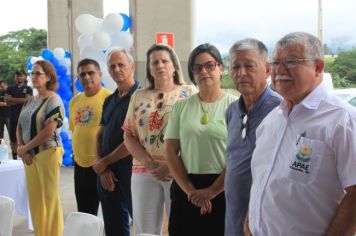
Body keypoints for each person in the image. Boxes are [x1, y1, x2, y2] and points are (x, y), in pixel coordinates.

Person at [247, 32, 356, 236]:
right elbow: (262, 179)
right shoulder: (271, 120)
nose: (279, 70)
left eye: (291, 61)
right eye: (276, 62)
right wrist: (249, 222)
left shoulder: (343, 120)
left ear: (318, 67)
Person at [164, 43, 237, 236]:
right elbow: (170, 150)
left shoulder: (236, 107)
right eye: (197, 68)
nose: (203, 71)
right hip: (186, 186)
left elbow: (239, 155)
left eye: (209, 65)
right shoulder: (181, 107)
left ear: (221, 69)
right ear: (192, 74)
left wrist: (212, 190)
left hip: (223, 187)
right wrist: (190, 190)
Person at [123, 43, 196, 235]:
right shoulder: (138, 97)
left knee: (182, 226)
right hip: (144, 171)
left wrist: (171, 166)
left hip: (180, 171)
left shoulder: (189, 93)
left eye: (165, 61)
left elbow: (197, 135)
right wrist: (148, 162)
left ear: (174, 66)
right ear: (149, 68)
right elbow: (128, 134)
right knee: (144, 230)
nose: (160, 65)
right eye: (154, 62)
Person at [224, 39, 281, 236]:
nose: (241, 73)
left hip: (264, 222)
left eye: (249, 66)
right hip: (233, 218)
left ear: (267, 70)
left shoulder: (281, 110)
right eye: (235, 67)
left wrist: (255, 215)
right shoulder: (232, 111)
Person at [94, 49, 140, 236]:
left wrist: (105, 162)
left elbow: (135, 139)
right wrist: (102, 167)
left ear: (132, 67)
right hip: (107, 172)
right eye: (112, 66)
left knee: (141, 222)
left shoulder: (141, 97)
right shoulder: (109, 100)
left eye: (121, 64)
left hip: (132, 170)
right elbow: (99, 135)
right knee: (113, 226)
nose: (116, 69)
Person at [16, 60, 65, 236]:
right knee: (35, 200)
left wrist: (25, 148)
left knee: (50, 199)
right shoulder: (29, 100)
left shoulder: (54, 99)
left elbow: (49, 130)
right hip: (29, 156)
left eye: (38, 73)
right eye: (32, 74)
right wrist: (23, 149)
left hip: (48, 152)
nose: (34, 77)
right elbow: (20, 126)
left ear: (49, 76)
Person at [69, 59, 111, 215]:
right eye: (82, 74)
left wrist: (106, 164)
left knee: (111, 215)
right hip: (80, 166)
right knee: (85, 214)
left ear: (100, 75)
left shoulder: (110, 98)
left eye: (91, 73)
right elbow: (76, 131)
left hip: (103, 165)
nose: (86, 77)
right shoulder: (74, 101)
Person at [5, 68, 33, 160]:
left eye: (21, 75)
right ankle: (14, 159)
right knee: (13, 139)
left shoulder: (28, 88)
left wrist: (13, 99)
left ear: (24, 76)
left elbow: (27, 101)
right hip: (12, 116)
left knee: (25, 138)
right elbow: (7, 101)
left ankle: (25, 157)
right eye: (17, 75)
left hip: (24, 117)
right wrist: (21, 100)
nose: (19, 77)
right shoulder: (10, 88)